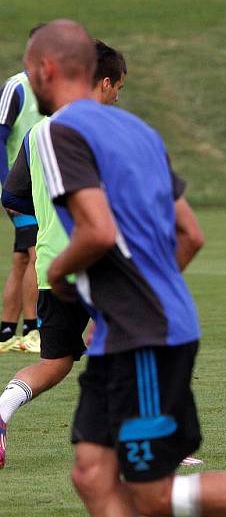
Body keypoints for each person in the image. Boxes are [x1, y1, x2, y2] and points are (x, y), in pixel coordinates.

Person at [23, 19, 226, 517]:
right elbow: (191, 234)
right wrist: (141, 293)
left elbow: (96, 231)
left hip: (145, 335)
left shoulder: (52, 132)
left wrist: (61, 276)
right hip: (128, 331)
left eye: (29, 69)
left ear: (46, 69)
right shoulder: (140, 131)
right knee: (90, 474)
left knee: (150, 493)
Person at [0, 40, 128, 470]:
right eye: (119, 87)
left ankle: (1, 412)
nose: (118, 97)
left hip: (52, 265)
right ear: (104, 82)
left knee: (55, 363)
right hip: (99, 260)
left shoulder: (40, 132)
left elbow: (12, 195)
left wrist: (53, 221)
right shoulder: (107, 131)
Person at [0, 25, 46, 354]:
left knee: (20, 258)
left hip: (39, 188)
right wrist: (7, 183)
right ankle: (34, 329)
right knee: (35, 253)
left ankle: (5, 330)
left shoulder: (54, 88)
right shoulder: (16, 87)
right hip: (20, 190)